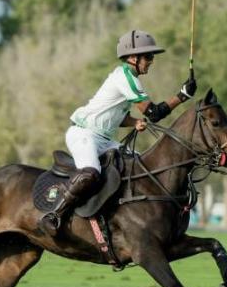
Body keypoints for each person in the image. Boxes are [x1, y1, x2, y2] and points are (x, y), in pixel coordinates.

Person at [38, 29, 197, 236]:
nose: (151, 61)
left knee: (139, 167)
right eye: (148, 57)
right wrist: (182, 96)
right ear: (133, 57)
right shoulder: (125, 77)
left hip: (104, 139)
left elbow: (114, 116)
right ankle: (55, 214)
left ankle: (121, 219)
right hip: (84, 135)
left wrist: (133, 122)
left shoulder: (127, 77)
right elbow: (154, 113)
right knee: (91, 173)